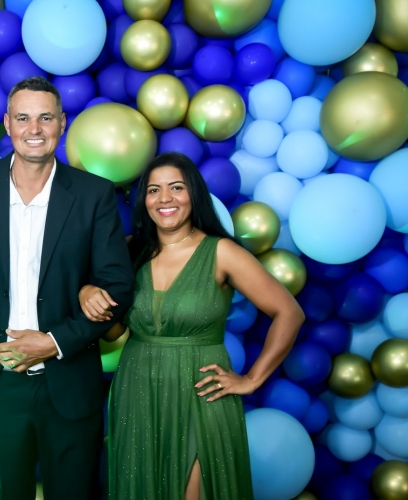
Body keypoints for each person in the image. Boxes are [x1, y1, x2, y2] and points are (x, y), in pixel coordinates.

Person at [0, 76, 134, 500]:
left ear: (62, 123)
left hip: (70, 385)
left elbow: (117, 285)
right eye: (23, 118)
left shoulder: (94, 194)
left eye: (45, 118)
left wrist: (54, 342)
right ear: (7, 123)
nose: (34, 129)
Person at [79, 152, 305, 500]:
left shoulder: (221, 252)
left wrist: (252, 379)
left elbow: (289, 312)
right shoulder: (129, 251)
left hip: (200, 392)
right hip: (137, 389)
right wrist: (88, 292)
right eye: (153, 190)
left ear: (193, 194)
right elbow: (114, 332)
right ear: (144, 200)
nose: (164, 198)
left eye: (176, 187)